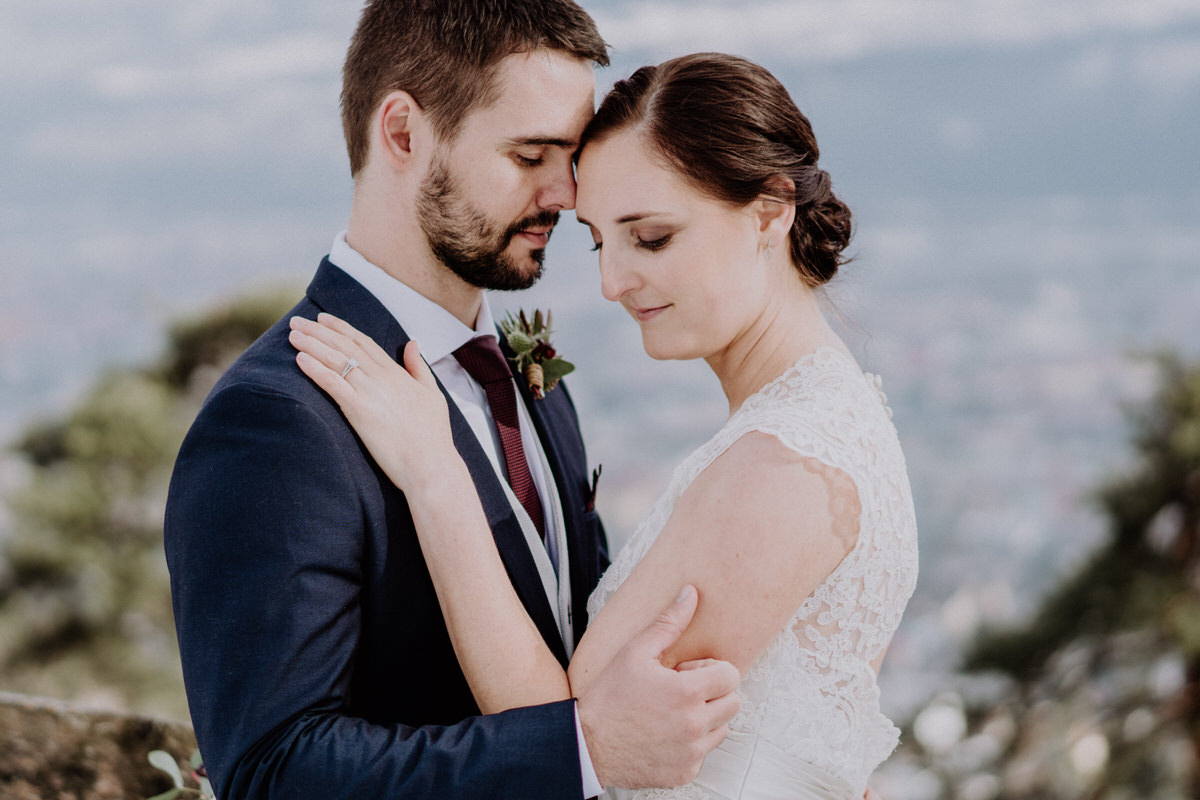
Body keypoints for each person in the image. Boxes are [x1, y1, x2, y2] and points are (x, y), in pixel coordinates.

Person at [289, 52, 919, 799]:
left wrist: (435, 476)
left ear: (770, 211)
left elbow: (564, 735)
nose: (612, 281)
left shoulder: (782, 469)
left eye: (650, 238)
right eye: (597, 239)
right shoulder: (836, 414)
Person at [164, 3, 742, 799]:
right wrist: (583, 755)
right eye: (530, 154)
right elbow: (274, 772)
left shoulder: (524, 372)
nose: (565, 196)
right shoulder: (278, 423)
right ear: (402, 132)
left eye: (570, 157)